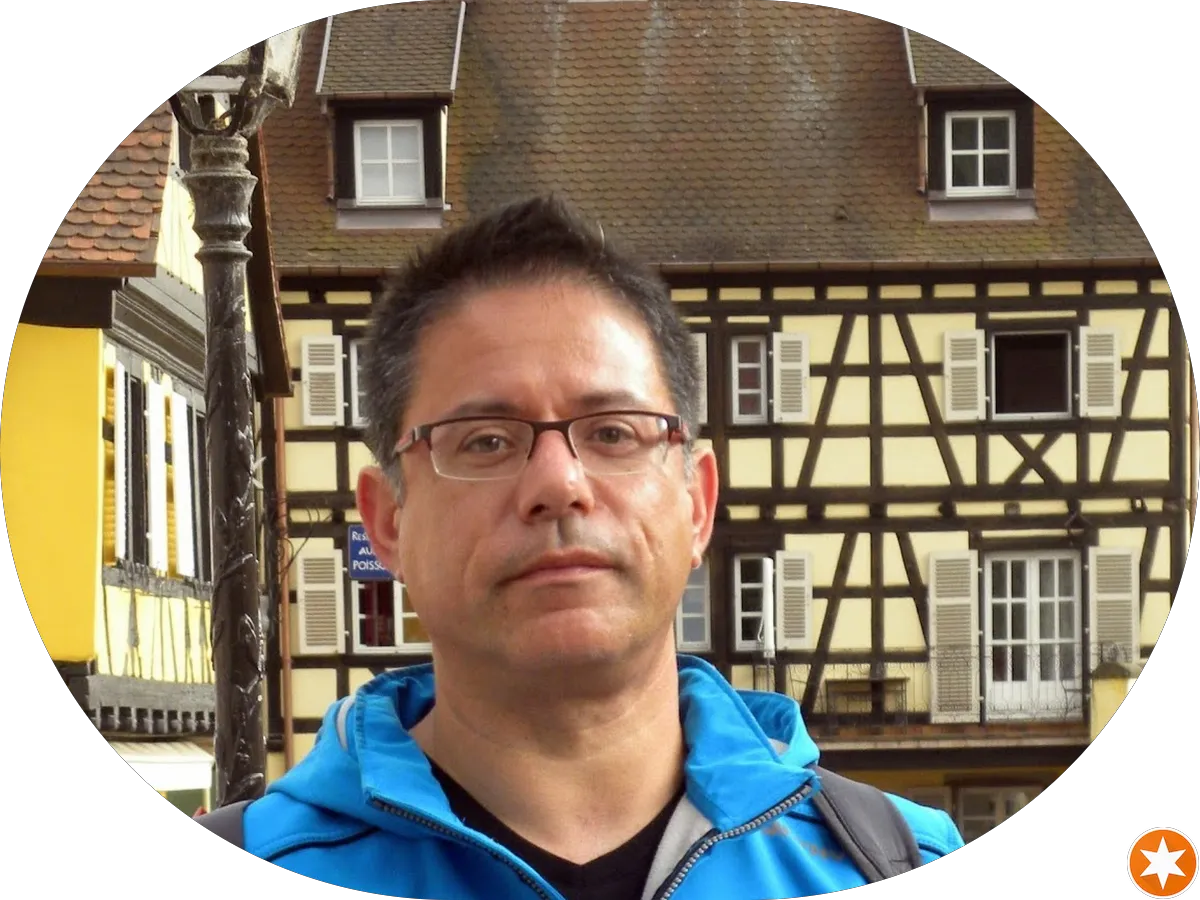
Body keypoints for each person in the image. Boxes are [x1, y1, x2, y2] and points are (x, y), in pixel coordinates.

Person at [195, 194, 965, 897]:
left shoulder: (897, 858)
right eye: (486, 440)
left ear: (697, 504)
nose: (559, 484)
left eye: (614, 433)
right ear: (388, 521)